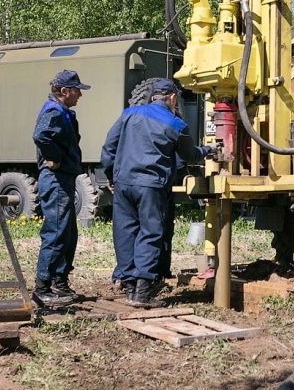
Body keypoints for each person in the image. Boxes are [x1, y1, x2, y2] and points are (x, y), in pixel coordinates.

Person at [101, 78, 213, 307]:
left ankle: (130, 286)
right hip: (150, 186)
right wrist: (209, 150)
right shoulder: (176, 124)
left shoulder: (128, 114)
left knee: (125, 232)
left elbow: (109, 147)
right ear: (172, 98)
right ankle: (142, 291)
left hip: (123, 184)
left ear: (153, 96)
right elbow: (190, 155)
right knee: (150, 232)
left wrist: (112, 175)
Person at [31, 69, 90, 307]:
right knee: (56, 231)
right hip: (55, 178)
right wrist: (56, 158)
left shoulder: (62, 111)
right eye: (77, 90)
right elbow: (41, 136)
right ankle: (42, 286)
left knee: (67, 232)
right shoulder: (53, 111)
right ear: (64, 91)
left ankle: (59, 280)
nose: (80, 95)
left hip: (63, 177)